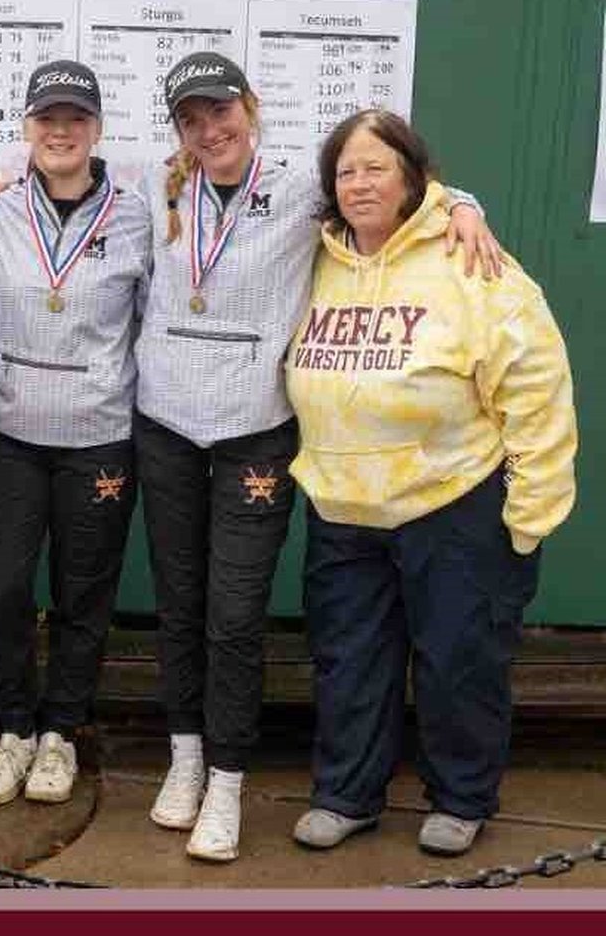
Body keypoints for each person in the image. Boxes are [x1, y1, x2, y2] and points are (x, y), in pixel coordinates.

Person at [133, 52, 500, 862]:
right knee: (179, 605)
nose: (209, 130)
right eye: (191, 119)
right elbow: (62, 184)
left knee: (233, 617)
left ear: (250, 108)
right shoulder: (151, 190)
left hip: (254, 429)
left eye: (220, 112)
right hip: (163, 422)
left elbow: (388, 189)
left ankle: (227, 779)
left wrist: (464, 204)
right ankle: (185, 760)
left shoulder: (304, 187)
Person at [284, 109, 576, 857]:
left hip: (453, 501)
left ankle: (462, 796)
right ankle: (347, 793)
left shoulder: (469, 258)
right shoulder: (314, 259)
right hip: (343, 505)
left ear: (415, 176)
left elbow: (537, 386)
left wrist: (530, 511)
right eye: (346, 170)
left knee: (458, 658)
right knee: (350, 658)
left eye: (376, 166)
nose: (359, 183)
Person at [0, 61, 150, 806]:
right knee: (4, 586)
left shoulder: (142, 213)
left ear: (98, 129)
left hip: (99, 435)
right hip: (7, 427)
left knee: (85, 592)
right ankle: (13, 728)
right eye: (47, 118)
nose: (61, 130)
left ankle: (60, 733)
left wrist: (455, 199)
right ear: (26, 129)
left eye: (76, 118)